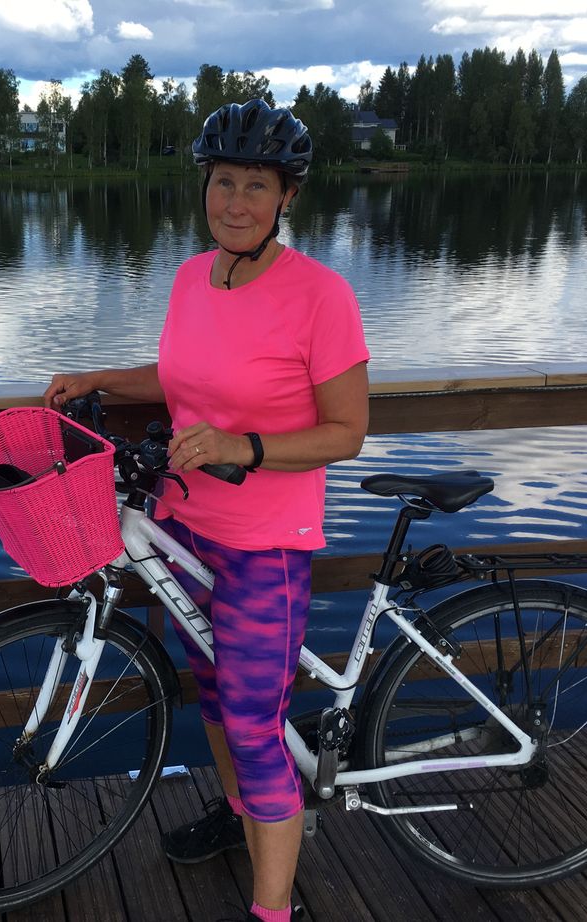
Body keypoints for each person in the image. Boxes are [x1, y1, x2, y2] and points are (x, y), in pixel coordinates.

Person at [43, 98, 370, 922]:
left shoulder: (321, 296)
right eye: (224, 181)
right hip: (186, 526)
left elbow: (347, 432)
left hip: (266, 544)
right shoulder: (194, 276)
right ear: (204, 186)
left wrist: (243, 446)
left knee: (256, 727)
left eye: (256, 185)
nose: (235, 201)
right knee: (217, 700)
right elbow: (181, 377)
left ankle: (274, 911)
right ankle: (238, 816)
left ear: (287, 196)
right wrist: (100, 380)